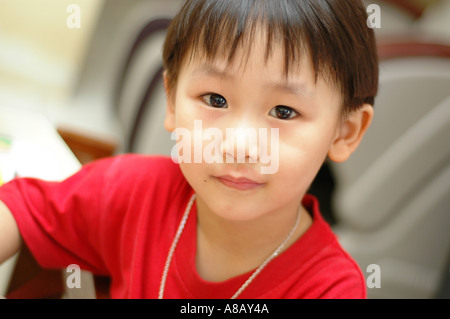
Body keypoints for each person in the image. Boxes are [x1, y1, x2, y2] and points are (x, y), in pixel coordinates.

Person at [0, 0, 378, 299]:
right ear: (171, 101)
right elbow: (22, 210)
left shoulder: (329, 288)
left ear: (343, 133)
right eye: (215, 99)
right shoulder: (135, 190)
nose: (239, 145)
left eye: (283, 111)